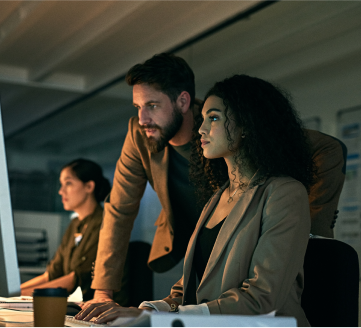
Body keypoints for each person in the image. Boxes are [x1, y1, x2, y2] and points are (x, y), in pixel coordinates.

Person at [89, 53, 345, 305]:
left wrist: (309, 237)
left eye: (152, 105)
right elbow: (119, 211)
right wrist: (105, 293)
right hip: (205, 236)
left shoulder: (230, 118)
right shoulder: (142, 135)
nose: (142, 118)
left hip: (254, 234)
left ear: (182, 101)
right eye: (138, 107)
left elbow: (324, 146)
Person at [20, 158, 116, 302]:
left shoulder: (104, 224)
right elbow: (51, 274)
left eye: (68, 183)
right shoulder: (75, 224)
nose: (61, 191)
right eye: (61, 184)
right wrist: (13, 292)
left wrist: (17, 296)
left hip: (93, 309)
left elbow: (74, 280)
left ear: (89, 186)